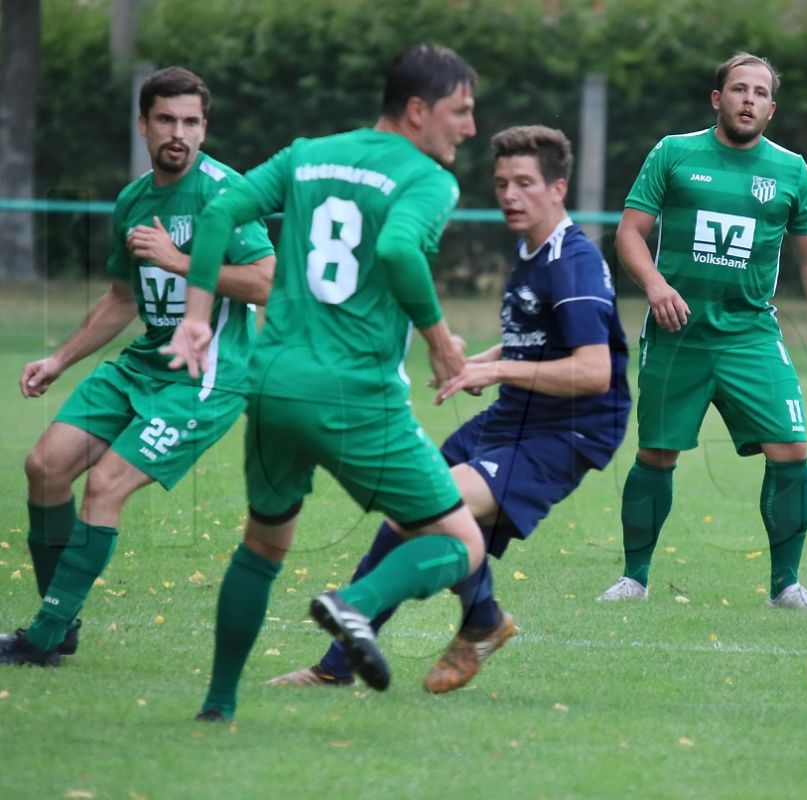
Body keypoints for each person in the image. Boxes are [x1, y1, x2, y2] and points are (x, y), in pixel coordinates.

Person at [163, 44, 487, 721]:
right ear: (418, 110)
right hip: (353, 393)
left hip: (272, 381)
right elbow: (398, 249)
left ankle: (217, 706)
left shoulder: (308, 153)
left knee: (263, 543)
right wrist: (440, 344)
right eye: (460, 111)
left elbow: (219, 212)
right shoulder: (426, 179)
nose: (470, 127)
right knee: (460, 543)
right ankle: (356, 604)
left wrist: (196, 318)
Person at [267, 125, 631, 693]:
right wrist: (480, 361)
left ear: (558, 189)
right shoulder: (532, 250)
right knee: (407, 513)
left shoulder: (572, 262)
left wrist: (496, 370)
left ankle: (365, 607)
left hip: (567, 431)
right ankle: (360, 661)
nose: (510, 194)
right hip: (516, 416)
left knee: (437, 505)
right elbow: (540, 339)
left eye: (526, 183)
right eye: (502, 182)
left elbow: (594, 372)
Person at [0, 67, 275, 667]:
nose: (179, 133)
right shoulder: (132, 199)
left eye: (192, 122)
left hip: (205, 376)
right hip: (141, 365)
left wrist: (182, 261)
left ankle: (44, 637)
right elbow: (122, 299)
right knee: (44, 467)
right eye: (167, 120)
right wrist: (60, 359)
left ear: (205, 128)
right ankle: (60, 616)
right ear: (143, 124)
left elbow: (265, 282)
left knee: (105, 486)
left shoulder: (227, 194)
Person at [597, 53, 807, 610]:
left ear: (772, 109)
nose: (748, 99)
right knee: (656, 454)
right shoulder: (673, 153)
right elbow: (630, 234)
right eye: (738, 89)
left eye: (759, 92)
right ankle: (634, 577)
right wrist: (656, 286)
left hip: (750, 335)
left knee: (791, 450)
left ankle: (787, 586)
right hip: (676, 334)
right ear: (717, 99)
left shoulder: (791, 170)